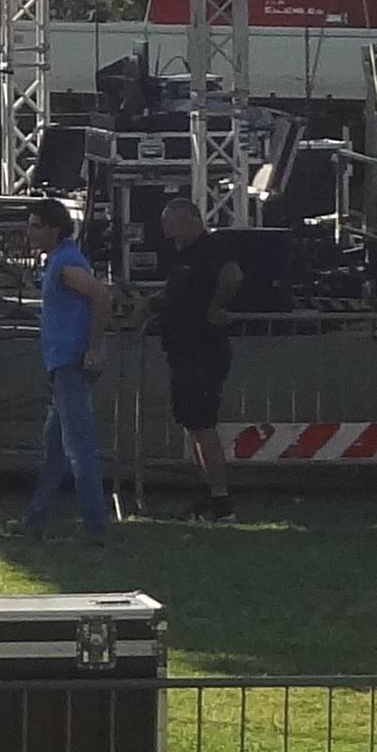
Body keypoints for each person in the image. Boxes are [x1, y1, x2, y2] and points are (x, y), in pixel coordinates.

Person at [14, 197, 113, 537]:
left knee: (79, 448)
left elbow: (100, 295)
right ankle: (35, 518)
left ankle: (96, 527)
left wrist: (94, 348)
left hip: (71, 361)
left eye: (35, 226)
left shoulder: (66, 264)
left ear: (54, 230)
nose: (29, 232)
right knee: (54, 449)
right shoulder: (60, 260)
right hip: (61, 362)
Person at [150, 194, 246, 519]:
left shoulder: (212, 248)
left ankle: (221, 499)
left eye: (172, 223)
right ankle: (206, 492)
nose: (167, 231)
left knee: (203, 424)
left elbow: (233, 276)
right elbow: (176, 293)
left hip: (203, 350)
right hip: (182, 349)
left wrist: (215, 308)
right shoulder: (181, 257)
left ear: (190, 220)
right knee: (193, 425)